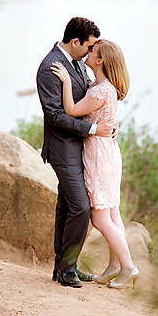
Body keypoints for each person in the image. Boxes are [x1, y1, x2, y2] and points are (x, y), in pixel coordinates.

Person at [50, 39, 139, 289]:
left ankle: (128, 267)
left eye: (93, 51)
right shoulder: (102, 86)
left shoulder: (100, 91)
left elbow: (70, 110)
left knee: (100, 218)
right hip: (107, 151)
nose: (88, 53)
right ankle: (114, 266)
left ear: (100, 61)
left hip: (99, 155)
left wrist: (66, 81)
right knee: (112, 212)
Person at [36, 17, 115, 288]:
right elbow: (55, 115)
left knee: (67, 206)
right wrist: (94, 129)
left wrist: (107, 123)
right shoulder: (50, 68)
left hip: (81, 148)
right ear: (75, 42)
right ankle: (67, 269)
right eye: (90, 46)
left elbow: (88, 100)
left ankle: (63, 266)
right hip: (63, 149)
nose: (92, 52)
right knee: (81, 208)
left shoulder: (78, 64)